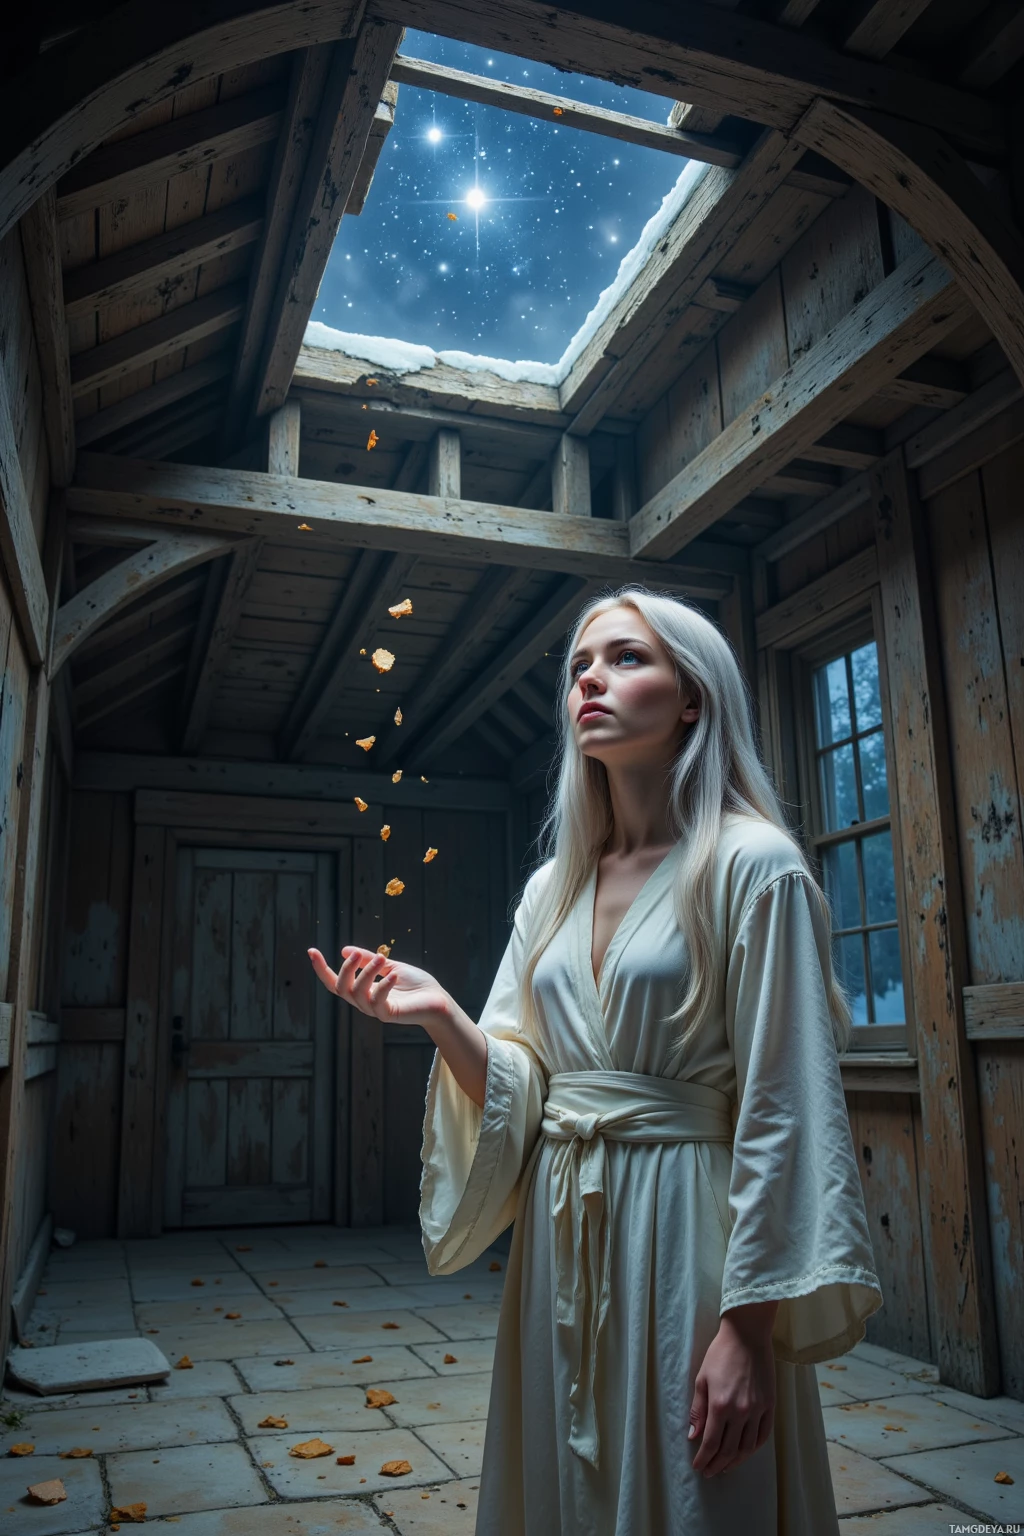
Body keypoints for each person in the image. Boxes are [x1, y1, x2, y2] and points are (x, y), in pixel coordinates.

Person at [308, 586, 883, 1535]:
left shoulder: (755, 865)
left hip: (690, 1232)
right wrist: (443, 1014)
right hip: (562, 1233)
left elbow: (786, 1102)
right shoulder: (555, 885)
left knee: (700, 1483)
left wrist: (749, 1326)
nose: (591, 681)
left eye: (625, 659)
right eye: (579, 665)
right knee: (562, 1486)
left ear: (692, 695)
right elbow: (524, 1080)